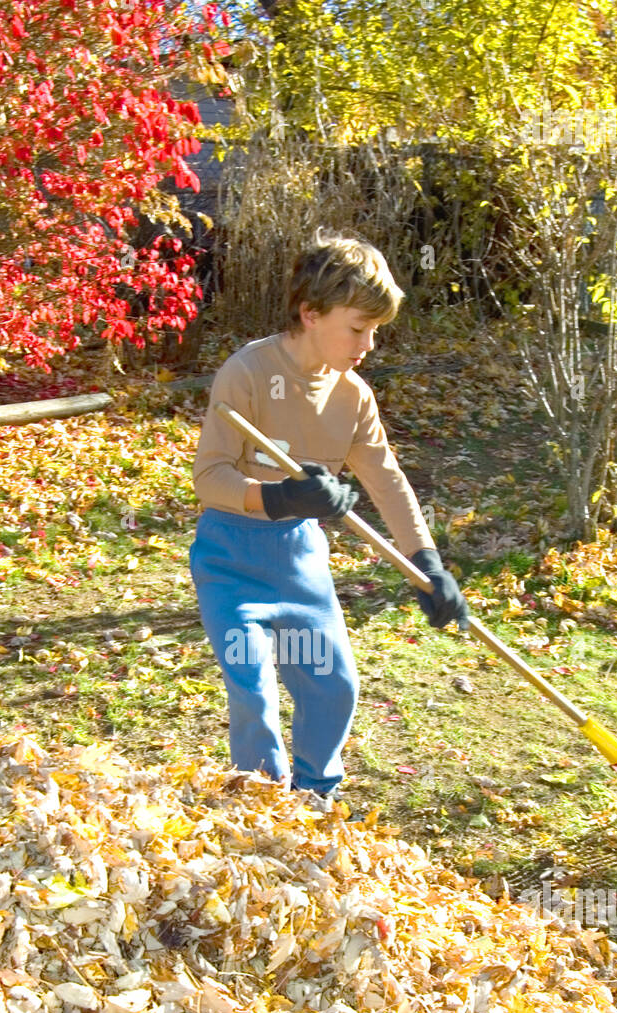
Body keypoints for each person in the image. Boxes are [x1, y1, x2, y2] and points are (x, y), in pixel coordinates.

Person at [188, 227, 469, 807]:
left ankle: (314, 797)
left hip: (299, 561)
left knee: (332, 686)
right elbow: (210, 478)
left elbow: (386, 480)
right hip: (230, 557)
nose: (368, 345)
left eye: (374, 332)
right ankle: (263, 804)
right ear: (311, 313)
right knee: (253, 690)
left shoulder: (353, 396)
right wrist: (282, 499)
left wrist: (428, 563)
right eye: (358, 329)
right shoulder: (246, 374)